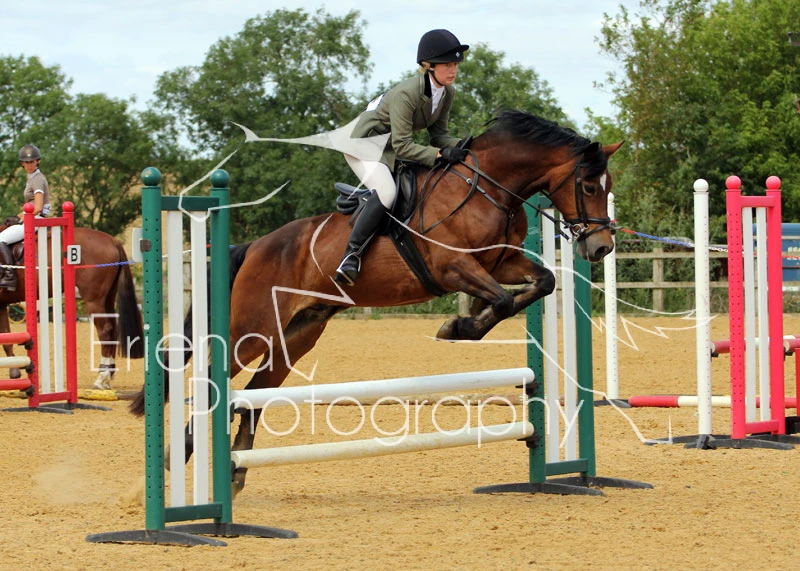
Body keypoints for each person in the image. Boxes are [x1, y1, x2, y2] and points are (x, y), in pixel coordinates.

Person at [334, 29, 470, 286]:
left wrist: (468, 146)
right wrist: (441, 154)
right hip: (363, 144)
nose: (453, 70)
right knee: (387, 193)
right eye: (447, 65)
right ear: (428, 66)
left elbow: (439, 136)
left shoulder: (447, 93)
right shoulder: (407, 94)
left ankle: (369, 202)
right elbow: (404, 146)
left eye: (455, 64)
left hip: (388, 148)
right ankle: (351, 256)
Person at [0, 144, 51, 290]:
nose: (29, 165)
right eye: (26, 162)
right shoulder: (33, 178)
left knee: (1, 239)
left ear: (38, 161)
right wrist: (17, 217)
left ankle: (9, 276)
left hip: (36, 218)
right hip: (33, 217)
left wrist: (22, 218)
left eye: (32, 161)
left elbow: (38, 206)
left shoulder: (37, 179)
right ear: (22, 163)